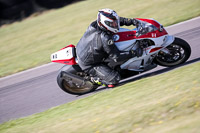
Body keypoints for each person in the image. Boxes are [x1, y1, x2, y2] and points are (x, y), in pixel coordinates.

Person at [76, 8, 143, 87]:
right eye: (113, 24)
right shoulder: (105, 38)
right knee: (115, 79)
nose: (115, 24)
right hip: (90, 64)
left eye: (115, 22)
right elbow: (116, 57)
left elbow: (116, 20)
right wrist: (134, 53)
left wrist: (131, 21)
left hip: (83, 49)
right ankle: (94, 79)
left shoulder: (96, 24)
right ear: (105, 23)